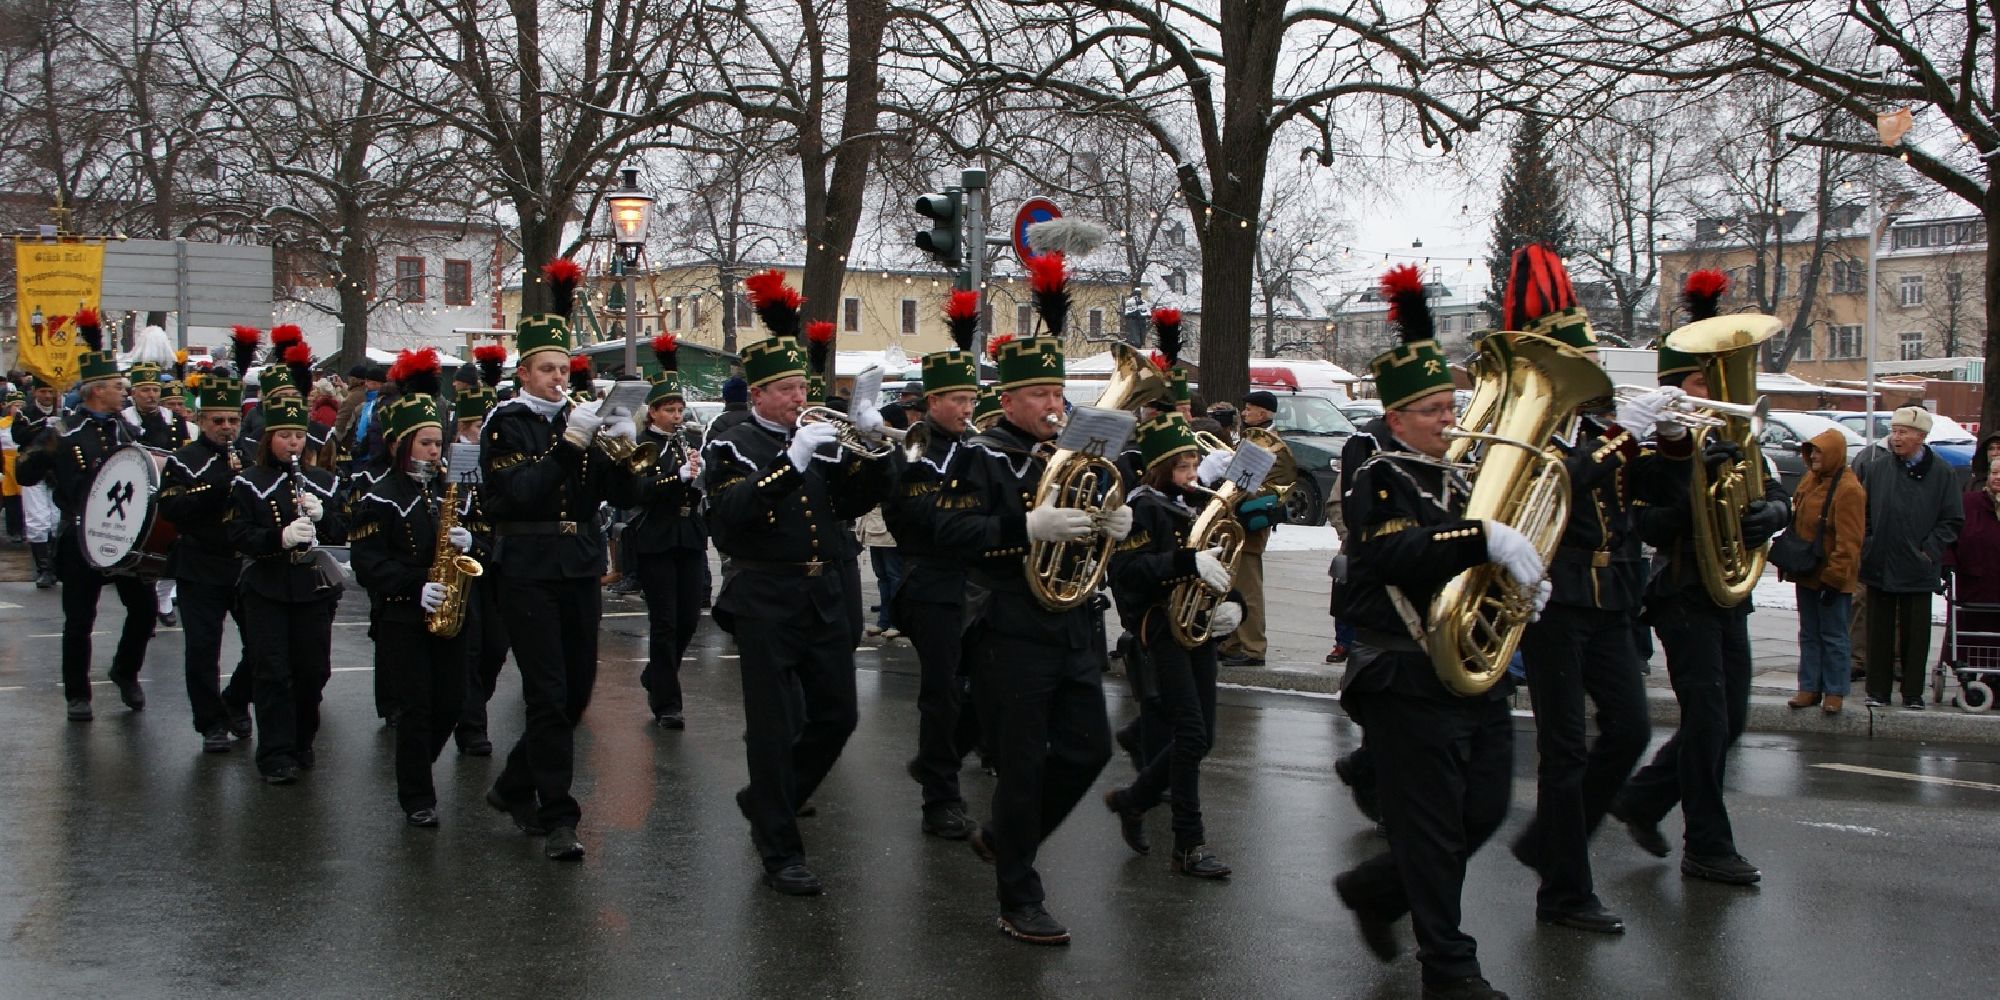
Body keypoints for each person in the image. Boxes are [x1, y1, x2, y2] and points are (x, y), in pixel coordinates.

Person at [1330, 282, 1546, 1000]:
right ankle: (1450, 969)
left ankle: (1375, 888)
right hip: (1403, 673)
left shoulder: (1457, 477)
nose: (1448, 422)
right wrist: (1482, 536)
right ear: (1395, 416)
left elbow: (1478, 559)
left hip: (1469, 673)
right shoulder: (1377, 475)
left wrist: (1519, 585)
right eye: (1431, 411)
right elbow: (1393, 556)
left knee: (1482, 808)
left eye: (1450, 408)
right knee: (1430, 828)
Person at [934, 265, 1132, 946]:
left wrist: (1111, 525)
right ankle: (1019, 896)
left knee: (1086, 750)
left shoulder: (1073, 452)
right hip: (1011, 628)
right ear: (1009, 400)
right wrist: (1027, 529)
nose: (1054, 403)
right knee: (1020, 768)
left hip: (1073, 622)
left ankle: (1005, 839)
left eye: (1058, 390)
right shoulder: (978, 456)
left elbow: (1093, 523)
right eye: (1040, 393)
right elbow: (952, 536)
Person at [703, 271, 891, 895]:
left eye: (800, 386)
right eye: (783, 389)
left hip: (825, 594)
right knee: (773, 725)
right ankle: (779, 847)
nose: (796, 397)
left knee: (836, 716)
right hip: (765, 597)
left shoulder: (820, 436)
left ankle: (767, 799)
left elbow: (856, 502)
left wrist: (867, 440)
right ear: (757, 394)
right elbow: (729, 519)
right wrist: (792, 462)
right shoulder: (733, 441)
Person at [1493, 247, 1661, 936]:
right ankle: (1564, 889)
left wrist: (1669, 443)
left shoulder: (1600, 431)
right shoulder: (1531, 430)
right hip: (1557, 602)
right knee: (1563, 752)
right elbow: (1559, 482)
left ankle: (1547, 843)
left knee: (1631, 730)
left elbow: (1641, 501)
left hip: (1612, 597)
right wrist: (1621, 440)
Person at [1611, 271, 1791, 887]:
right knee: (1710, 721)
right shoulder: (1653, 452)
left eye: (1715, 379)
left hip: (1726, 595)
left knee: (1729, 721)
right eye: (1697, 381)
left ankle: (1641, 799)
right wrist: (1691, 482)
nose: (1711, 391)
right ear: (1673, 390)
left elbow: (1770, 490)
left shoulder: (1736, 437)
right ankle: (1707, 846)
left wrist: (1776, 512)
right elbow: (1650, 526)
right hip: (1682, 592)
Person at [478, 260, 641, 860]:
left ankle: (514, 785)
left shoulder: (582, 420)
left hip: (577, 563)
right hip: (525, 565)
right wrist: (571, 441)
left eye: (562, 368)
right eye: (545, 368)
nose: (556, 377)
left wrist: (623, 445)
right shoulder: (507, 423)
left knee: (575, 693)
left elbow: (626, 497)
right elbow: (520, 494)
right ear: (524, 371)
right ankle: (559, 816)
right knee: (547, 693)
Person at [1102, 410, 1240, 880]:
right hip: (1160, 629)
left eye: (1195, 466)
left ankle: (1133, 800)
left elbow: (1219, 560)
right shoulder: (1142, 507)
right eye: (1183, 468)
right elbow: (1127, 572)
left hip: (1196, 626)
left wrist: (1231, 602)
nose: (1193, 475)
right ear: (1161, 469)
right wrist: (1188, 563)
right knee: (1192, 735)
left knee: (1203, 737)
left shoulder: (1192, 504)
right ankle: (1188, 843)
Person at [352, 351, 482, 827]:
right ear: (399, 445)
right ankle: (417, 796)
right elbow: (368, 562)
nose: (435, 451)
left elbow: (473, 542)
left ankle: (414, 770)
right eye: (426, 443)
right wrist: (413, 586)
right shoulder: (379, 497)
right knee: (416, 707)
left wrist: (471, 541)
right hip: (403, 617)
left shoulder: (442, 490)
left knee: (451, 702)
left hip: (448, 609)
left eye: (437, 443)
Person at [16, 315, 158, 721]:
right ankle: (77, 694)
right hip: (81, 536)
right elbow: (24, 473)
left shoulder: (126, 430)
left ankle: (124, 670)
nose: (124, 392)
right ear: (97, 391)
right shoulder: (65, 430)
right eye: (117, 386)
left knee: (144, 611)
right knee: (80, 619)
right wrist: (46, 446)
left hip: (124, 535)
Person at [884, 290, 984, 840]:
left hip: (976, 582)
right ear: (931, 403)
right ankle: (939, 798)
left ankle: (937, 759)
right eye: (956, 400)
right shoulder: (912, 450)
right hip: (932, 582)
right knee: (942, 691)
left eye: (971, 399)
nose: (967, 409)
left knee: (987, 685)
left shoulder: (978, 448)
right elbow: (927, 515)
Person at [228, 390, 347, 785]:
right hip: (268, 586)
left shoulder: (323, 481)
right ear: (268, 439)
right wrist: (277, 537)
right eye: (284, 436)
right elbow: (237, 532)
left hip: (312, 588)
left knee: (313, 671)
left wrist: (324, 515)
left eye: (298, 436)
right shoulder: (248, 482)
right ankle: (275, 753)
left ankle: (301, 740)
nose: (293, 444)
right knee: (272, 671)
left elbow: (343, 532)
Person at [158, 374, 256, 752]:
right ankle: (210, 721)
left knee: (262, 644)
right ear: (202, 421)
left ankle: (235, 700)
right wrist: (221, 488)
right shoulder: (184, 460)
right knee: (202, 649)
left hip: (245, 564)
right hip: (201, 562)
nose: (227, 428)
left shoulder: (250, 454)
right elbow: (171, 508)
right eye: (218, 421)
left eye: (232, 420)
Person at [1851, 406, 1964, 709]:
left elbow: (1952, 519)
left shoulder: (1942, 473)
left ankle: (1912, 693)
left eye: (1903, 432)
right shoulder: (1878, 469)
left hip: (1918, 566)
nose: (1896, 438)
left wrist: (1928, 551)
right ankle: (1877, 691)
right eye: (1894, 431)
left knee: (1915, 636)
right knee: (1878, 631)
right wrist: (1870, 544)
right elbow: (1864, 514)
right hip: (1880, 562)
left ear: (1921, 436)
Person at [629, 335, 707, 730]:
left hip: (688, 534)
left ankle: (656, 674)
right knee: (665, 622)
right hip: (657, 536)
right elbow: (640, 492)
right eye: (669, 410)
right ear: (653, 413)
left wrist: (698, 478)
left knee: (690, 617)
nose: (677, 416)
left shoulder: (685, 442)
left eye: (679, 409)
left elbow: (695, 489)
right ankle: (667, 703)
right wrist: (674, 479)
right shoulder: (644, 445)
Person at [1783, 427, 1867, 714]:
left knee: (1833, 635)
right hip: (1807, 571)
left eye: (1819, 452)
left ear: (1833, 454)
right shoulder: (1810, 480)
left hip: (1833, 576)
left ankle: (1834, 691)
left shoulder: (1849, 489)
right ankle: (1809, 687)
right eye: (1812, 452)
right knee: (1809, 632)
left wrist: (1834, 577)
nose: (1814, 457)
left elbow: (1850, 540)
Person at [452, 347, 508, 756]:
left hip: (498, 567)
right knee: (468, 649)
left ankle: (473, 705)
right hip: (460, 571)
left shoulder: (501, 464)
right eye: (473, 427)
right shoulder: (445, 466)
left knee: (494, 649)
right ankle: (472, 726)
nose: (478, 435)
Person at [1218, 389, 1294, 667]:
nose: (1244, 413)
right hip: (1236, 521)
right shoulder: (1253, 438)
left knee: (1248, 589)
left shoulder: (1268, 442)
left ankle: (1253, 648)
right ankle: (1232, 641)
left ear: (1263, 413)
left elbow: (1271, 484)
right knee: (1232, 586)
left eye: (1250, 409)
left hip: (1249, 523)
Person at [13, 376, 63, 587]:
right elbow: (19, 437)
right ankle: (43, 569)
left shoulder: (62, 412)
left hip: (56, 472)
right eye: (43, 392)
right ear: (34, 392)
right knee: (37, 519)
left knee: (55, 518)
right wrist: (42, 425)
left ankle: (55, 565)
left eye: (51, 392)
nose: (47, 396)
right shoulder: (25, 413)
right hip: (33, 470)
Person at [2, 389, 23, 543]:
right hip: (6, 463)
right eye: (16, 405)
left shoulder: (25, 422)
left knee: (25, 498)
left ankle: (24, 528)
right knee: (10, 498)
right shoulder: (2, 424)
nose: (19, 408)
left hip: (21, 460)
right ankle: (13, 529)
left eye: (22, 405)